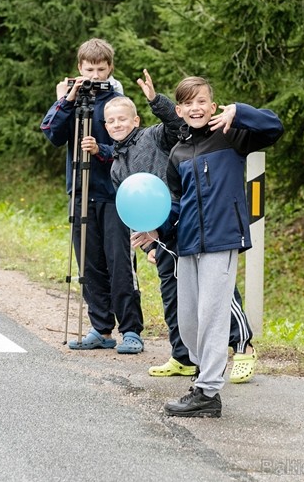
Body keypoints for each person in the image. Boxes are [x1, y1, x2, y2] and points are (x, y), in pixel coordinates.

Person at [137, 76, 283, 417]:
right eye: (188, 103)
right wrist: (156, 231)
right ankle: (205, 379)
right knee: (189, 321)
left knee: (213, 316)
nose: (195, 108)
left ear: (213, 106)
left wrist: (240, 112)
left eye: (201, 101)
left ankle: (207, 391)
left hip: (222, 240)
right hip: (188, 244)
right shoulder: (178, 153)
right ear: (180, 110)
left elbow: (273, 126)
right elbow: (177, 203)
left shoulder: (231, 137)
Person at [105, 70, 255, 382]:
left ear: (135, 121)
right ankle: (183, 356)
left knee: (218, 293)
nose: (117, 125)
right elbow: (142, 211)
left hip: (200, 225)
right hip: (167, 234)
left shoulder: (155, 137)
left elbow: (179, 124)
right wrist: (151, 243)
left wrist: (154, 101)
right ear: (105, 127)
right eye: (111, 121)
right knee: (176, 297)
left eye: (123, 119)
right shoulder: (117, 167)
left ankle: (241, 346)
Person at [40, 38, 145, 354]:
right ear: (79, 68)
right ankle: (101, 328)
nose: (96, 75)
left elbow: (130, 146)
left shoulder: (117, 100)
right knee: (89, 264)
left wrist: (101, 151)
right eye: (90, 69)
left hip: (114, 193)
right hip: (81, 191)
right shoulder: (73, 100)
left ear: (110, 68)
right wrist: (65, 100)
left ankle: (130, 330)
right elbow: (52, 134)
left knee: (119, 263)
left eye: (101, 69)